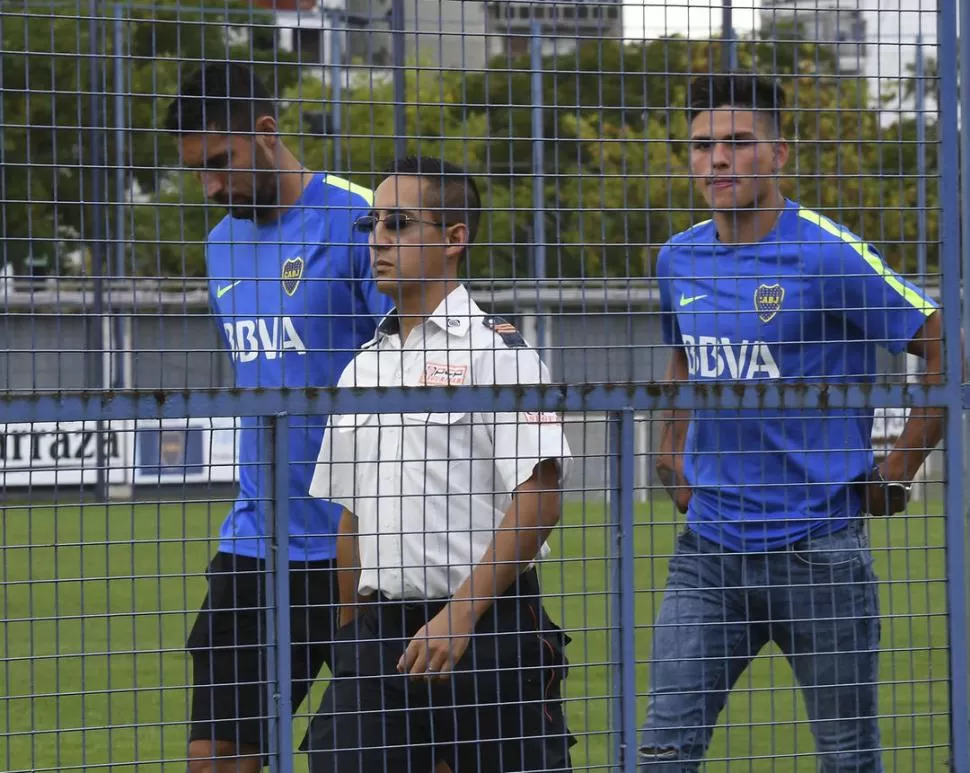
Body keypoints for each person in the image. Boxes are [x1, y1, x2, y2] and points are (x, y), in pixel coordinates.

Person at [640, 72, 945, 772]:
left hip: (820, 548)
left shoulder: (827, 252)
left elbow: (941, 344)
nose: (717, 160)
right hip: (708, 552)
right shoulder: (677, 257)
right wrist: (671, 448)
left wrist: (900, 468)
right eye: (702, 145)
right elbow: (683, 355)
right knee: (661, 748)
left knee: (847, 757)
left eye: (739, 143)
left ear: (779, 154)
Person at [301, 156, 576, 773]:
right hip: (379, 644)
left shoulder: (499, 356)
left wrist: (460, 613)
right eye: (373, 223)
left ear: (455, 239)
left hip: (486, 629)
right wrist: (351, 638)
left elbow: (540, 498)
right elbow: (350, 517)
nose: (378, 240)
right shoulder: (361, 367)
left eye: (399, 223)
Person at [163, 61, 393, 773]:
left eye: (219, 164)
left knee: (383, 755)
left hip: (368, 546)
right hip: (257, 542)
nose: (209, 187)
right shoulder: (221, 243)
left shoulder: (361, 218)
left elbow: (423, 353)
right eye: (196, 172)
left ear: (266, 134)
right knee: (217, 757)